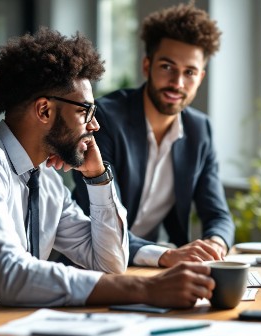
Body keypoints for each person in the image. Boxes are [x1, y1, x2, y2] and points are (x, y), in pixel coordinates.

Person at [0, 28, 214, 326]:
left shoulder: (44, 178)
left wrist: (98, 178)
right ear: (44, 110)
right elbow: (11, 277)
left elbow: (109, 262)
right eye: (84, 111)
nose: (94, 126)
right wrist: (145, 290)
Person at [72, 4, 234, 268]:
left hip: (148, 266)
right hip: (89, 263)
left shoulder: (199, 130)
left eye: (189, 72)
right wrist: (167, 255)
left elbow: (218, 214)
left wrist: (215, 244)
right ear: (147, 66)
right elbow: (96, 217)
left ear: (200, 77)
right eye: (167, 67)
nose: (178, 83)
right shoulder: (105, 119)